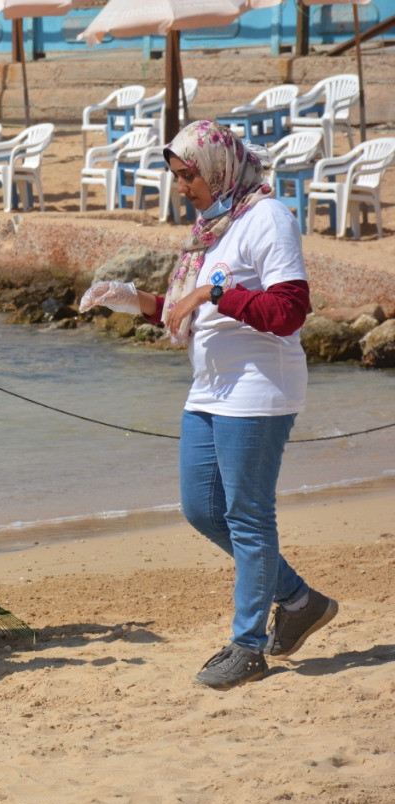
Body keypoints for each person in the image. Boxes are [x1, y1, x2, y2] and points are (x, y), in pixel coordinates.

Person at [80, 120, 337, 690]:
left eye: (187, 175)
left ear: (218, 166)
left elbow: (289, 312)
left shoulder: (268, 218)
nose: (182, 186)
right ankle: (297, 599)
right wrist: (130, 300)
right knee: (202, 508)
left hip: (258, 388)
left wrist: (215, 292)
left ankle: (248, 647)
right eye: (176, 176)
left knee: (248, 515)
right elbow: (184, 309)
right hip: (210, 389)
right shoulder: (211, 227)